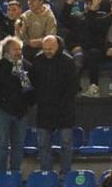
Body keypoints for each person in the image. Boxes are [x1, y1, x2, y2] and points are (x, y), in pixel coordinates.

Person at [28, 35, 79, 175]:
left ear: (57, 47)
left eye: (50, 49)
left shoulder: (68, 62)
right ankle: (46, 175)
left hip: (65, 110)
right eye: (45, 49)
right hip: (44, 110)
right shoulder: (38, 61)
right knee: (43, 145)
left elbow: (73, 87)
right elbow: (32, 82)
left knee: (66, 144)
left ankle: (66, 173)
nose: (48, 51)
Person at [0, 36, 33, 173]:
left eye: (20, 49)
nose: (18, 52)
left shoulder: (27, 66)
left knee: (18, 144)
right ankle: (0, 172)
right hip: (3, 110)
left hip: (21, 112)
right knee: (3, 142)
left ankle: (15, 172)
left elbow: (30, 89)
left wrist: (27, 103)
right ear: (6, 51)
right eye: (15, 49)